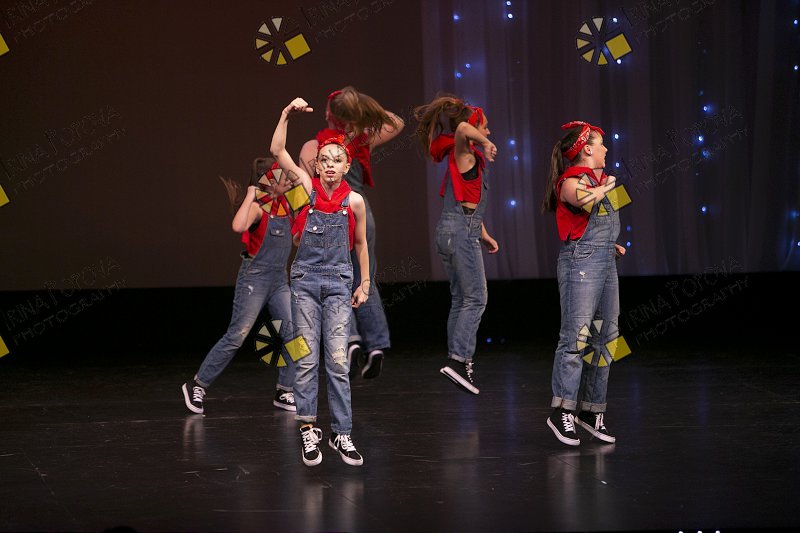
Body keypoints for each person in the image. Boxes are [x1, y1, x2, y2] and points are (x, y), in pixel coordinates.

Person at [270, 97, 370, 467]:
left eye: (336, 160)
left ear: (347, 166)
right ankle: (308, 428)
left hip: (340, 284)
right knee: (307, 359)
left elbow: (361, 245)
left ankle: (341, 433)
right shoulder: (306, 187)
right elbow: (278, 151)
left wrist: (365, 283)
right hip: (307, 283)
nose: (329, 165)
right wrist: (286, 114)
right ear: (316, 165)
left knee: (339, 361)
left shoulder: (354, 201)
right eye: (323, 160)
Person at [299, 87, 403, 380]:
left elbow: (303, 188)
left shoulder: (314, 147)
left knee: (335, 278)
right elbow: (396, 122)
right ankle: (376, 346)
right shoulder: (360, 139)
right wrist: (364, 107)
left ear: (329, 114)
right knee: (364, 277)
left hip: (331, 211)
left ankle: (352, 339)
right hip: (359, 209)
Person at [182, 158, 297, 415]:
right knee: (238, 334)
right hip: (255, 278)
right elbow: (238, 226)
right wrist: (250, 194)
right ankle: (197, 385)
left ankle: (285, 389)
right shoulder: (257, 207)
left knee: (295, 332)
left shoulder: (287, 205)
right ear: (267, 181)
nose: (287, 179)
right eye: (281, 176)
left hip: (279, 280)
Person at [540, 121, 626, 446]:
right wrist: (609, 184)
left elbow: (601, 221)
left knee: (607, 337)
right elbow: (586, 202)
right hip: (581, 263)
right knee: (576, 337)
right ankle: (562, 409)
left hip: (604, 261)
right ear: (587, 149)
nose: (606, 149)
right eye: (601, 144)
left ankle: (591, 410)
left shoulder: (601, 180)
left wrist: (610, 245)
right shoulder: (569, 181)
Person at [413, 94, 499, 395]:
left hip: (455, 229)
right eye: (485, 127)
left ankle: (457, 360)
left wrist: (484, 233)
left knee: (462, 299)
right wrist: (484, 143)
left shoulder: (461, 156)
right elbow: (462, 128)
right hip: (460, 232)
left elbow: (465, 200)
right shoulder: (465, 152)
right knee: (477, 298)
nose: (488, 132)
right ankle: (459, 360)